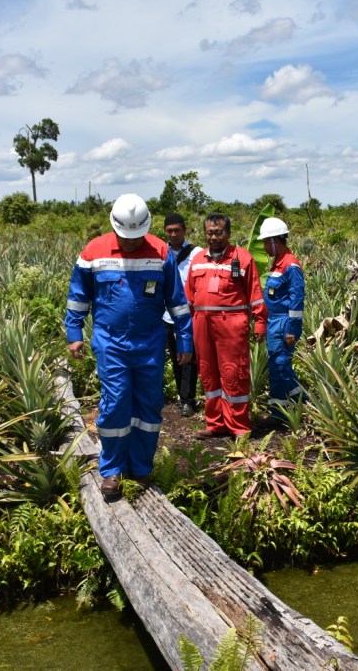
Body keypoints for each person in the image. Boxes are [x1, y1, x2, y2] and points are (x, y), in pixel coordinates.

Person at [65, 194, 193, 500]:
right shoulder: (94, 252)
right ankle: (112, 468)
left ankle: (140, 466)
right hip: (111, 341)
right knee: (116, 401)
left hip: (150, 341)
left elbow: (177, 301)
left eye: (137, 237)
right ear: (114, 227)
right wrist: (74, 332)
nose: (132, 242)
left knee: (148, 405)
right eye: (126, 237)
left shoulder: (161, 252)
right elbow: (79, 295)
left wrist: (185, 338)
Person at [187, 213, 267, 439]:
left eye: (218, 232)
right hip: (202, 324)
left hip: (231, 323)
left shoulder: (242, 258)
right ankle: (215, 423)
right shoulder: (198, 259)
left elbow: (255, 294)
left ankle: (238, 426)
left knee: (234, 373)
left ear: (228, 233)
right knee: (208, 372)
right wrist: (185, 329)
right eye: (209, 233)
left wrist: (260, 323)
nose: (213, 237)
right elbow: (189, 297)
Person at [257, 217, 305, 418]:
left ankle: (279, 413)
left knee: (279, 366)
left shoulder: (290, 265)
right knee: (279, 367)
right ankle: (302, 403)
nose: (264, 247)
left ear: (275, 241)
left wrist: (291, 329)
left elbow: (297, 300)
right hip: (273, 322)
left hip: (284, 323)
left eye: (266, 242)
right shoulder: (278, 264)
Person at [162, 213, 202, 417]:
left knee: (188, 358)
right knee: (174, 357)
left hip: (188, 316)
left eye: (177, 230)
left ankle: (188, 400)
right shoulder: (161, 252)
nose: (173, 234)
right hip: (166, 316)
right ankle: (181, 395)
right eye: (169, 231)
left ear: (184, 230)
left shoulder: (197, 254)